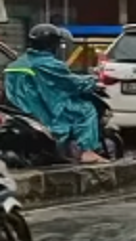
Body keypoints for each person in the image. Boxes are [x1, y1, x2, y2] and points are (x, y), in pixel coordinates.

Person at [4, 24, 107, 164]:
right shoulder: (49, 64)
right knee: (86, 109)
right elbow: (71, 84)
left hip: (19, 108)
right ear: (52, 44)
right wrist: (93, 81)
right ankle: (87, 151)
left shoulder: (16, 64)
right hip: (44, 109)